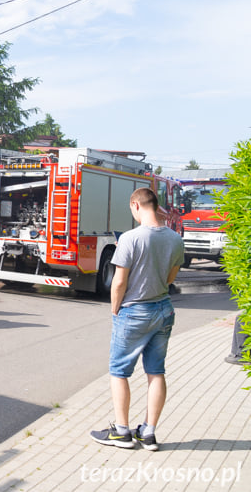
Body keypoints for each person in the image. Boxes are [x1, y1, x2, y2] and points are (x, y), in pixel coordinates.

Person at [90, 187, 184, 452]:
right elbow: (170, 279)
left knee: (119, 371)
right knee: (156, 371)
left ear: (136, 205)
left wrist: (114, 310)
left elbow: (119, 282)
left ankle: (121, 431)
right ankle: (149, 433)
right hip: (164, 310)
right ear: (156, 205)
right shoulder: (175, 239)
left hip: (134, 311)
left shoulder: (131, 238)